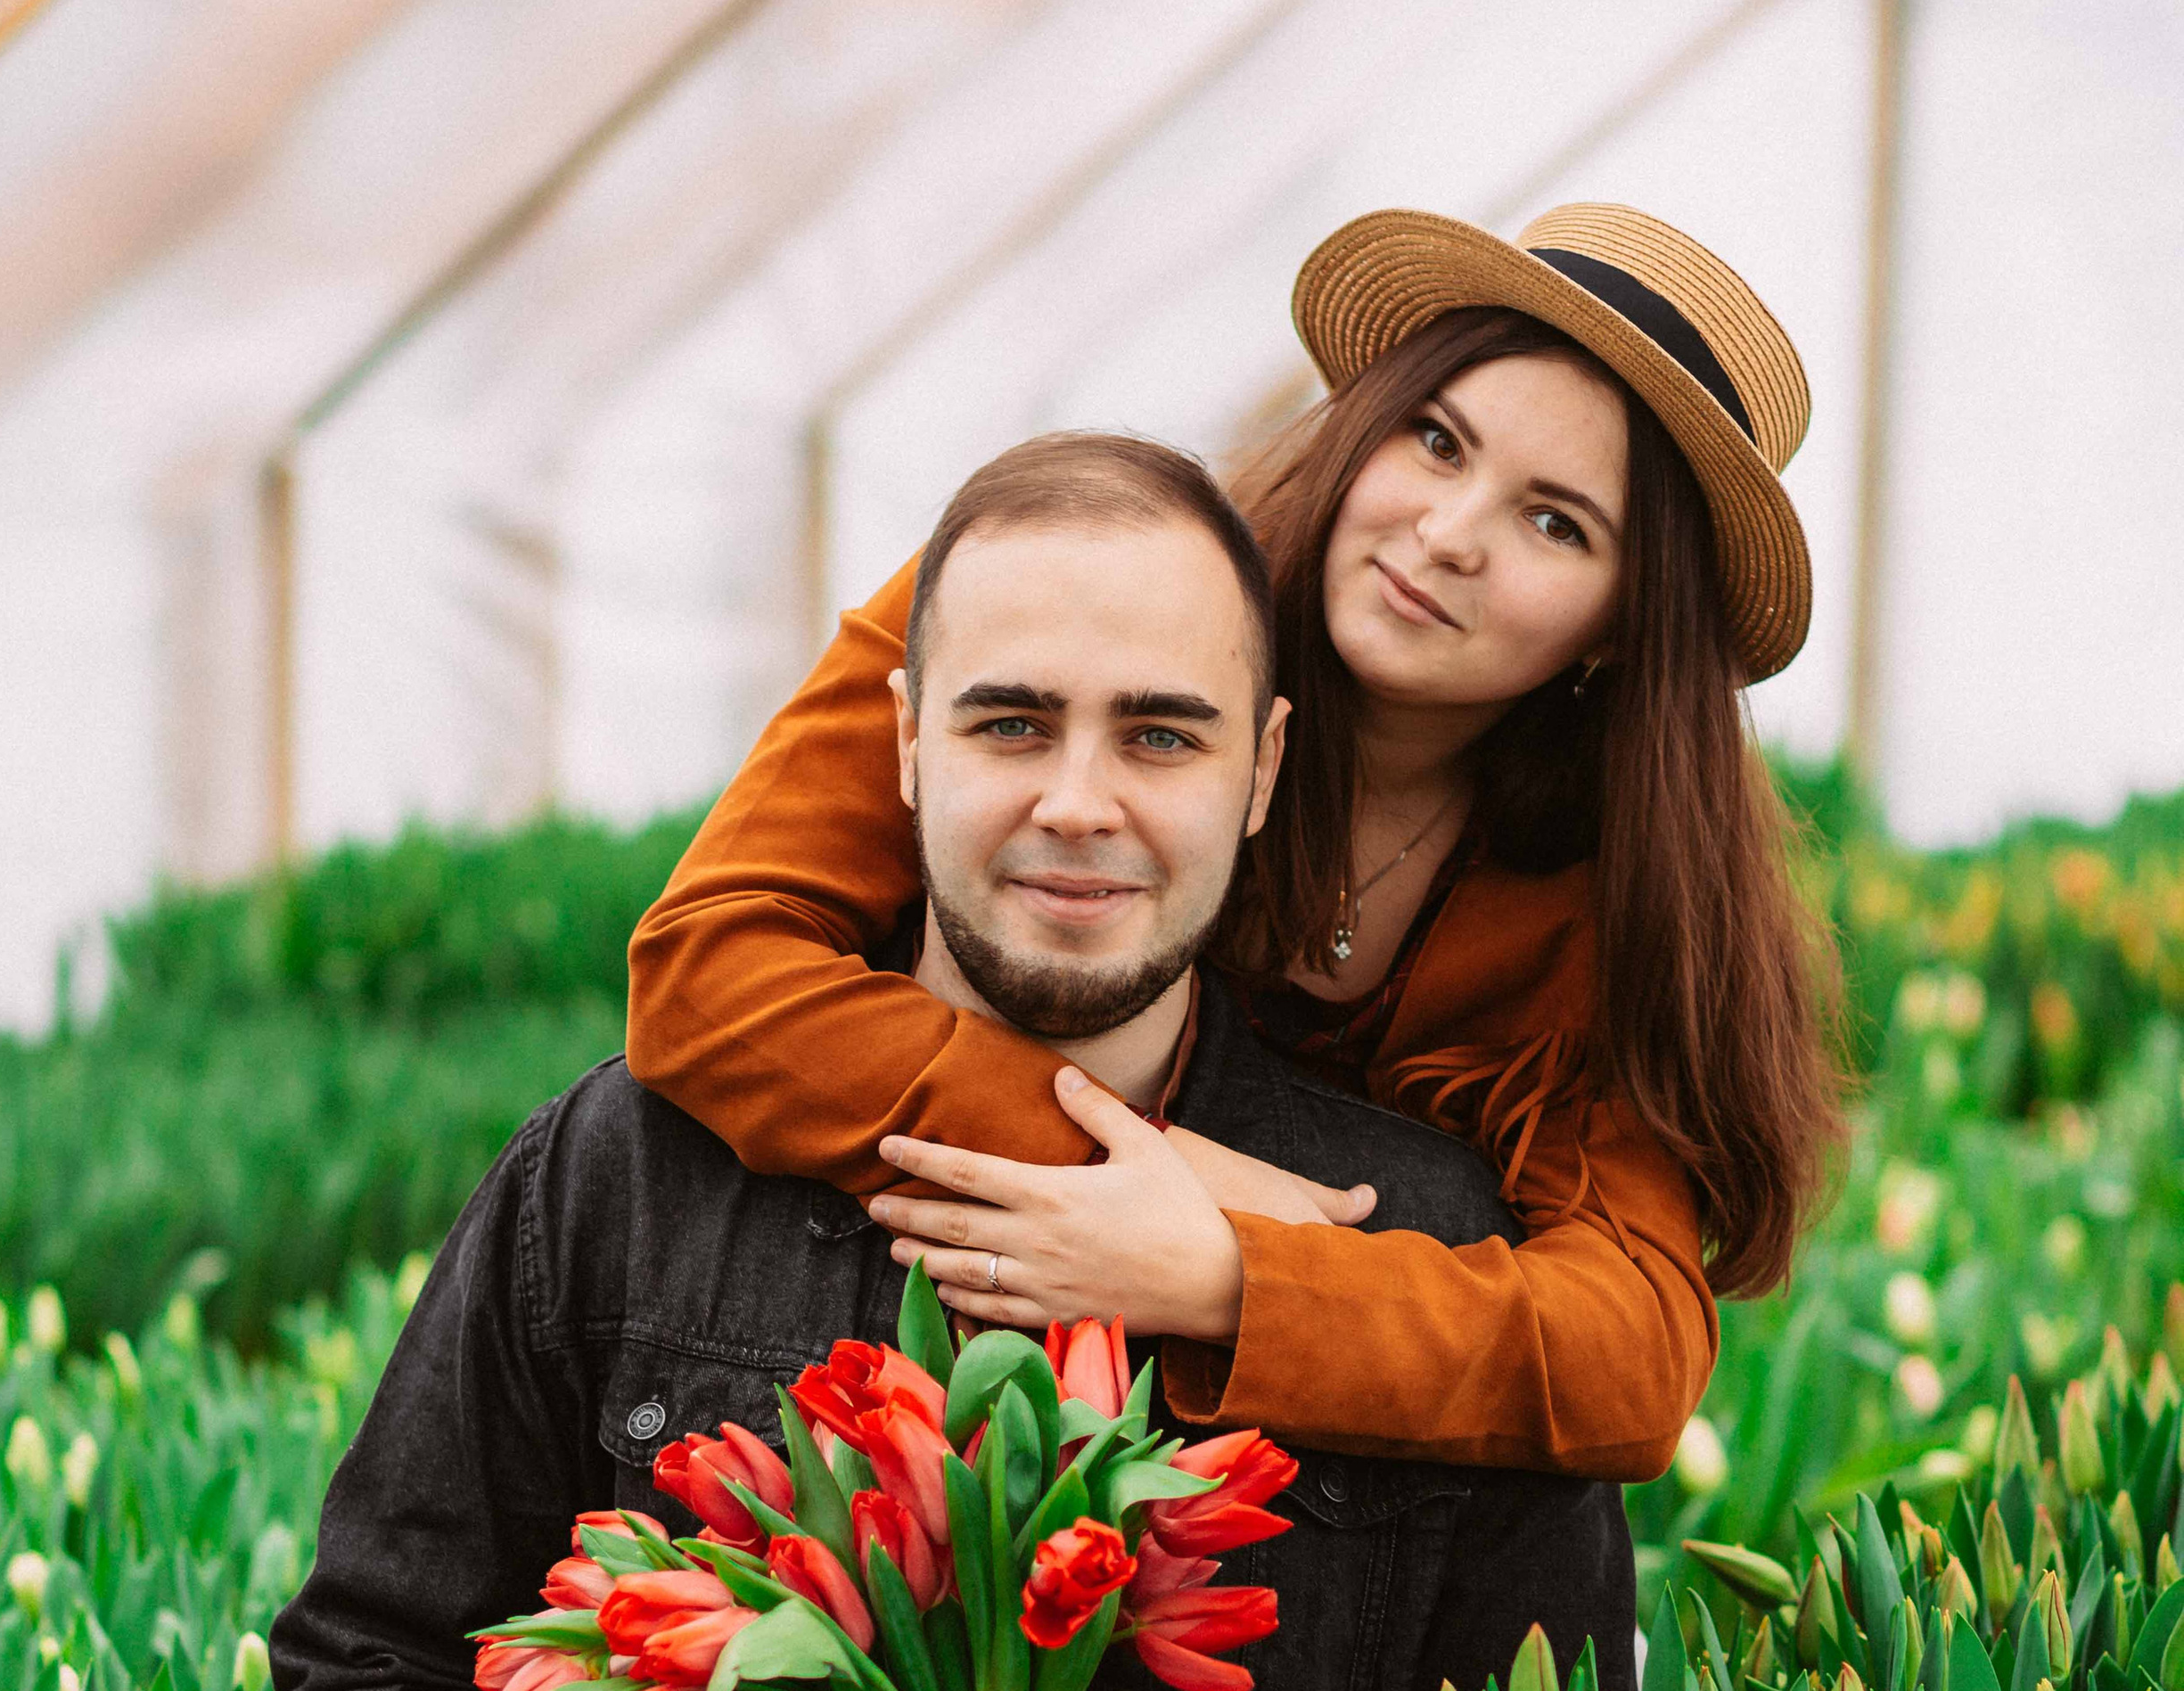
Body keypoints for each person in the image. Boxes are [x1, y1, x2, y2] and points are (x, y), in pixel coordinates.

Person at [267, 440, 1633, 1691]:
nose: (1077, 804)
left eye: (1159, 736)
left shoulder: (1414, 1246)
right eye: (1010, 722)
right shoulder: (629, 1175)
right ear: (901, 743)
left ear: (1262, 768)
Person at [625, 204, 1845, 1483]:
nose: (1448, 534)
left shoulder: (1605, 901)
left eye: (1557, 524)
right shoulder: (1054, 592)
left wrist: (1234, 1274)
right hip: (865, 1361)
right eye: (1436, 442)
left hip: (1306, 1526)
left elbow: (1629, 1355)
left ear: (1621, 624)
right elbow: (711, 970)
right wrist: (1126, 1156)